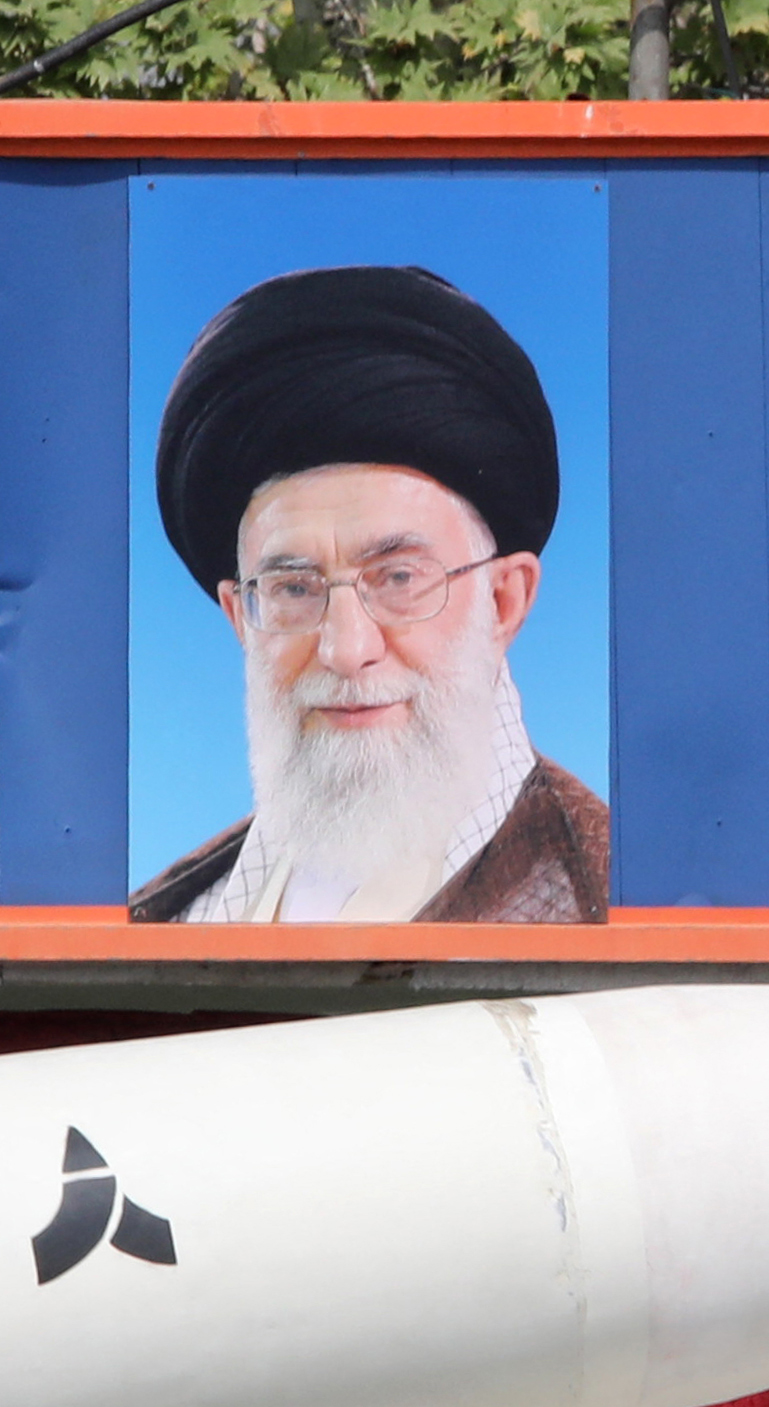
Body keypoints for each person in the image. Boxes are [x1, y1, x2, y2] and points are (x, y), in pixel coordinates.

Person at [132, 263, 607, 926]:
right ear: (241, 617)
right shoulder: (172, 920)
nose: (347, 648)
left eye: (399, 578)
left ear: (504, 601)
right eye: (295, 587)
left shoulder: (608, 907)